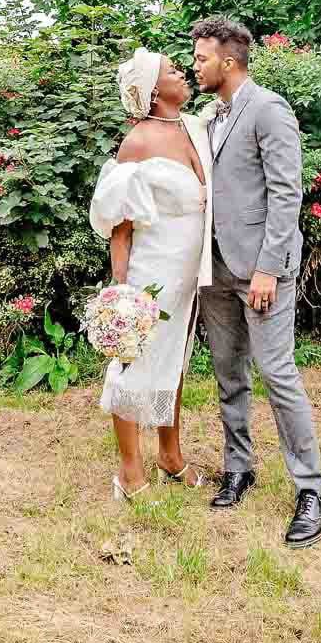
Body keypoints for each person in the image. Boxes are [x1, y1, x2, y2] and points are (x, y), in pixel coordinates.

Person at [191, 16, 321, 549]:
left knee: (278, 374)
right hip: (216, 267)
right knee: (229, 373)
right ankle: (239, 467)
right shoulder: (212, 116)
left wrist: (269, 269)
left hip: (262, 269)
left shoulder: (268, 109)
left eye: (201, 58)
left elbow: (286, 194)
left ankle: (312, 489)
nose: (194, 65)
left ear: (229, 62)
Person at [88, 48, 215, 499]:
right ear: (153, 89)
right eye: (172, 70)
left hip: (188, 278)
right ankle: (129, 470)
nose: (183, 72)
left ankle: (170, 456)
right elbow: (120, 229)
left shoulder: (194, 128)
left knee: (174, 366)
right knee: (133, 364)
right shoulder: (138, 142)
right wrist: (122, 292)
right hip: (151, 275)